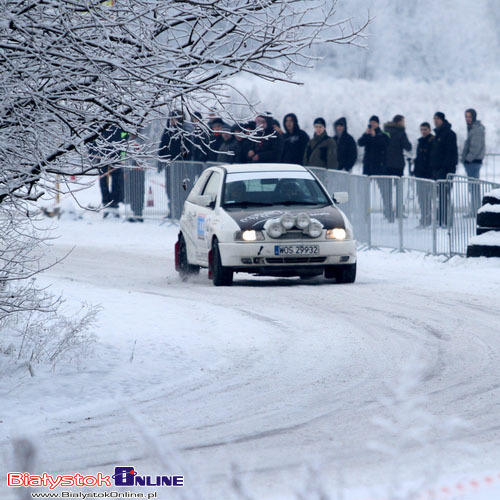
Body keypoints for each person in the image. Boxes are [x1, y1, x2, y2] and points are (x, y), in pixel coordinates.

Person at [358, 116, 391, 220]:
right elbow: (360, 143)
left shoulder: (383, 134)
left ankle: (389, 212)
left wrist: (375, 136)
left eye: (374, 122)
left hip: (379, 167)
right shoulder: (367, 133)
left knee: (384, 191)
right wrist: (367, 134)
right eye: (371, 122)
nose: (372, 124)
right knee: (365, 191)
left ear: (378, 124)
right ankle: (364, 212)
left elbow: (385, 144)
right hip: (368, 166)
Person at [89, 126, 126, 218]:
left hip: (116, 154)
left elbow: (125, 137)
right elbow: (92, 135)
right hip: (102, 154)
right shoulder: (100, 120)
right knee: (103, 180)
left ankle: (114, 203)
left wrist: (123, 155)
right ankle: (107, 202)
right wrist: (92, 152)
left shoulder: (119, 122)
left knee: (117, 180)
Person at [430, 112, 458, 227]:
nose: (435, 121)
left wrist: (445, 169)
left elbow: (450, 154)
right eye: (434, 118)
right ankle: (439, 219)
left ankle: (444, 221)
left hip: (445, 170)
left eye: (437, 118)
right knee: (438, 196)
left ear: (442, 120)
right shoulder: (437, 135)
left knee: (443, 196)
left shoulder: (449, 134)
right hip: (436, 170)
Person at [462, 108, 486, 215]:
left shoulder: (476, 129)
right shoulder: (472, 128)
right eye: (466, 116)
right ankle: (474, 209)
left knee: (474, 187)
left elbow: (475, 146)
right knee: (473, 187)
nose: (467, 119)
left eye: (469, 116)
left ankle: (475, 210)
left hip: (473, 162)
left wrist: (468, 158)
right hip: (472, 161)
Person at [412, 122, 435, 227]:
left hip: (428, 175)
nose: (423, 131)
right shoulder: (421, 142)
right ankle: (424, 219)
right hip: (420, 175)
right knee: (421, 198)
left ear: (430, 130)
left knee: (427, 199)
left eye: (425, 129)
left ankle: (427, 219)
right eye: (422, 129)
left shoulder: (432, 141)